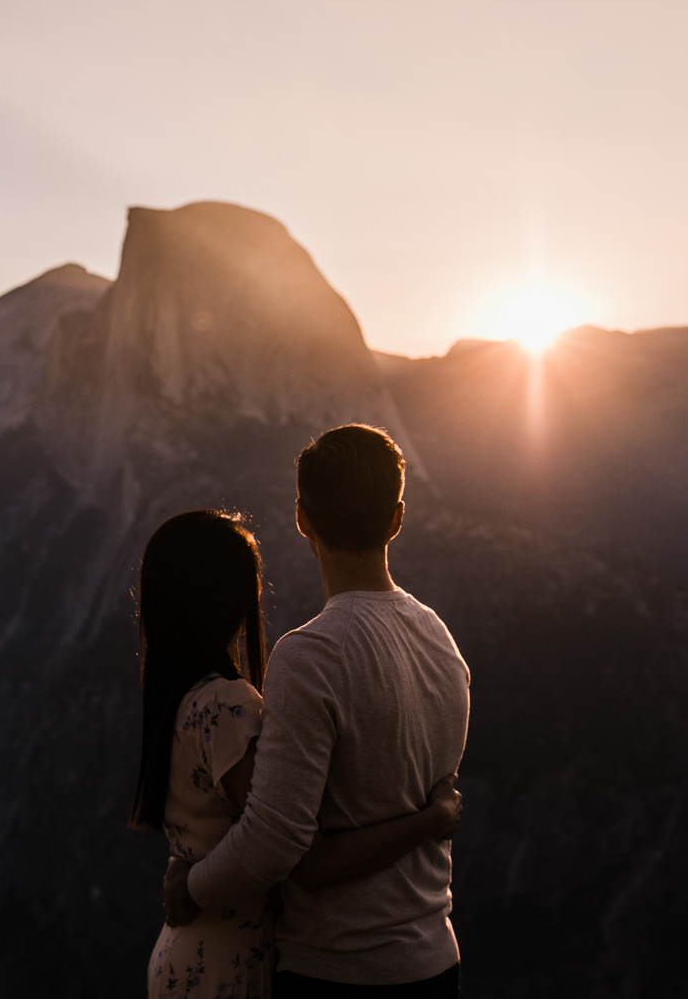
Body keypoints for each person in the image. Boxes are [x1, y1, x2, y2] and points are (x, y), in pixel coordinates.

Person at [164, 426, 473, 996]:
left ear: (302, 517)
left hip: (339, 968)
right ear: (397, 518)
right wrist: (430, 821)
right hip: (434, 960)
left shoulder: (310, 654)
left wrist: (193, 886)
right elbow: (431, 799)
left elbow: (277, 840)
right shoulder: (440, 639)